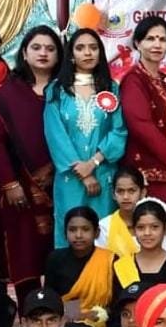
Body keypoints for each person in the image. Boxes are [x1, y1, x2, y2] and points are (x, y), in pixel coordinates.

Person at [0, 25, 62, 284]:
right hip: (21, 188)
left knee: (64, 249)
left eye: (50, 49)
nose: (43, 53)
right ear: (24, 54)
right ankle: (29, 306)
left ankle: (66, 308)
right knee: (24, 252)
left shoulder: (67, 91)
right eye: (36, 48)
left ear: (59, 55)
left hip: (65, 183)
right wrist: (10, 184)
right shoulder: (9, 94)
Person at [43, 29, 127, 245]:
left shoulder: (111, 88)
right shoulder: (57, 90)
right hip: (70, 177)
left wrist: (94, 163)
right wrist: (83, 173)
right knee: (71, 235)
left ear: (100, 53)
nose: (88, 53)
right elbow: (56, 135)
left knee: (104, 233)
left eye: (93, 47)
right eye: (80, 48)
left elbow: (118, 130)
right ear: (71, 55)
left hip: (103, 174)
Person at [118, 16, 166, 203]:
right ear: (138, 43)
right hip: (148, 176)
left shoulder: (165, 80)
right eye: (150, 39)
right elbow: (142, 128)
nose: (157, 45)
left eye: (162, 39)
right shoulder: (134, 80)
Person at [43, 206, 115, 327]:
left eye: (85, 229)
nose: (78, 235)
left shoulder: (110, 259)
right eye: (72, 230)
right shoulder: (55, 259)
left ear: (96, 232)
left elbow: (114, 304)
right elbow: (49, 299)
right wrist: (79, 314)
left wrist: (98, 314)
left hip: (100, 324)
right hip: (63, 323)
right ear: (65, 233)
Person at [112, 199, 166, 301]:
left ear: (165, 228)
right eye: (141, 227)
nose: (147, 233)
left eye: (154, 227)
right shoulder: (122, 266)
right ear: (133, 230)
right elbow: (118, 305)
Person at [99, 167, 147, 261]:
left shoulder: (153, 224)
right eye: (120, 191)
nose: (125, 197)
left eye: (131, 191)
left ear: (142, 193)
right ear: (113, 194)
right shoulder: (105, 226)